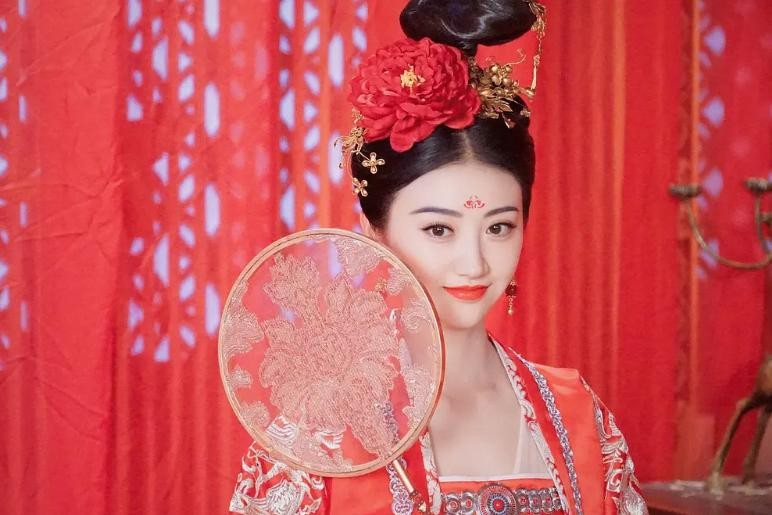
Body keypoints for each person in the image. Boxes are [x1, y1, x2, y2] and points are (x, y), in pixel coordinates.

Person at [229, 1, 647, 513]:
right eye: (438, 229)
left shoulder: (579, 416)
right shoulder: (320, 432)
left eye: (498, 227)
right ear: (376, 235)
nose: (474, 263)